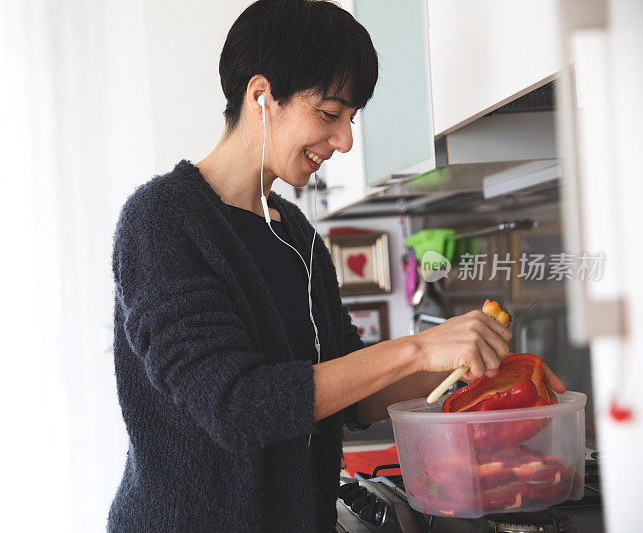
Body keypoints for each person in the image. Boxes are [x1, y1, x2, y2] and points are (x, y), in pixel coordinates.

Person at [107, 0, 566, 531]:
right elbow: (235, 407)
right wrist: (416, 347)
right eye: (329, 113)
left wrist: (477, 367)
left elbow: (352, 395)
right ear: (261, 96)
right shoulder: (161, 222)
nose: (345, 140)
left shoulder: (295, 233)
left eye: (351, 119)